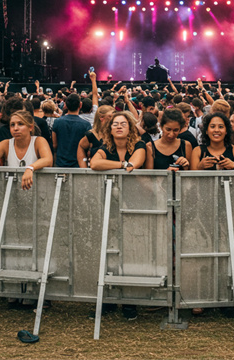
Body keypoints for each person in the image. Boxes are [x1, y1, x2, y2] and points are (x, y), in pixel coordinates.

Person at [89, 110, 147, 320]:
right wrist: (122, 165)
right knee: (110, 251)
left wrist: (125, 165)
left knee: (131, 253)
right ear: (109, 128)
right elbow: (95, 164)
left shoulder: (139, 146)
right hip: (110, 207)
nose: (119, 126)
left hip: (135, 206)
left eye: (123, 123)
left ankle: (129, 301)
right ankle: (110, 299)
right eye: (115, 124)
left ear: (130, 127)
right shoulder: (105, 148)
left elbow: (137, 162)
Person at [0, 111, 52, 191]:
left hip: (37, 193)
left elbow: (48, 159)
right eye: (12, 125)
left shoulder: (38, 141)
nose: (15, 128)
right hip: (13, 194)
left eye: (20, 124)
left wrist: (30, 168)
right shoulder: (6, 144)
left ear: (30, 127)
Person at [52, 94, 89, 168]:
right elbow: (88, 147)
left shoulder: (57, 122)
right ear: (80, 105)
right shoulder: (86, 125)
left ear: (65, 105)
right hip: (79, 164)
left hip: (60, 162)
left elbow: (54, 145)